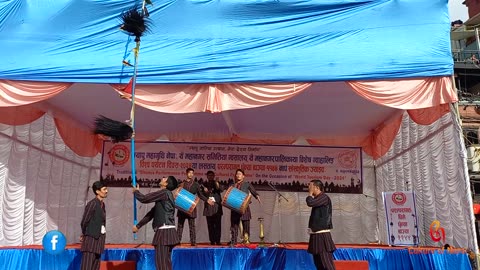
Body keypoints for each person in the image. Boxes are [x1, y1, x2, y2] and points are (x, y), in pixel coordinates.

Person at [133, 176, 179, 270]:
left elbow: (144, 199)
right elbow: (151, 214)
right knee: (166, 264)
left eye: (165, 179)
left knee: (162, 265)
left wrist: (136, 192)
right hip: (169, 232)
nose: (162, 178)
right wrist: (138, 226)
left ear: (166, 184)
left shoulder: (164, 193)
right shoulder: (166, 196)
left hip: (164, 233)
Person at [306, 180, 336, 270]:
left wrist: (310, 194)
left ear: (317, 188)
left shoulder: (324, 197)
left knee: (327, 263)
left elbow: (310, 202)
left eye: (310, 186)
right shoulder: (318, 199)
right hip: (315, 234)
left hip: (322, 235)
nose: (309, 188)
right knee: (318, 263)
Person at [80, 181, 108, 270]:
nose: (106, 191)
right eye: (104, 189)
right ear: (97, 191)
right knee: (87, 267)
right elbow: (84, 221)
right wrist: (86, 234)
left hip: (99, 242)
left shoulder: (102, 205)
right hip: (91, 241)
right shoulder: (92, 204)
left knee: (95, 267)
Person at [230, 169, 261, 245]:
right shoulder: (233, 185)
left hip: (245, 206)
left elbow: (253, 191)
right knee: (234, 225)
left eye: (240, 174)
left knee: (246, 223)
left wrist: (257, 196)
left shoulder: (247, 184)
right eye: (237, 174)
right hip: (235, 207)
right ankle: (233, 241)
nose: (238, 175)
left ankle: (246, 240)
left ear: (243, 176)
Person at [198, 170, 223, 245]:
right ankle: (212, 241)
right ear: (207, 176)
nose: (211, 177)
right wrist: (206, 199)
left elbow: (221, 189)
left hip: (216, 205)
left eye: (212, 175)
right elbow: (200, 194)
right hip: (208, 206)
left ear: (214, 176)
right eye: (209, 175)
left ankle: (218, 241)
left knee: (218, 225)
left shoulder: (217, 183)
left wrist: (217, 183)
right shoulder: (204, 184)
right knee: (210, 225)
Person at [177, 168, 200, 246]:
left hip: (191, 207)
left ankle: (193, 242)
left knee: (192, 226)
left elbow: (200, 195)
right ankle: (177, 240)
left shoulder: (196, 184)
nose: (191, 174)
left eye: (192, 173)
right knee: (180, 225)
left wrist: (207, 200)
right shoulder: (181, 184)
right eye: (189, 173)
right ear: (186, 173)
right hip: (182, 207)